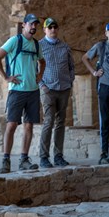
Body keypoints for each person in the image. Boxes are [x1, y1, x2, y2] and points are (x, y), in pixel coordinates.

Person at [0, 13, 45, 174]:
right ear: (24, 26)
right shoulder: (15, 41)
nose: (33, 27)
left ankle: (24, 159)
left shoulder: (36, 44)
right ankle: (6, 160)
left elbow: (42, 61)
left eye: (35, 24)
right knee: (12, 124)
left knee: (29, 126)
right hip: (17, 91)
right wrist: (6, 77)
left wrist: (40, 75)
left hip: (32, 91)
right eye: (31, 24)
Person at [81, 21, 109, 163]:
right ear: (106, 34)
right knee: (105, 119)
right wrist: (93, 72)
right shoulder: (100, 46)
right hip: (105, 85)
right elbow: (85, 58)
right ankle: (104, 151)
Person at [38, 17, 75, 168]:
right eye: (50, 27)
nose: (53, 30)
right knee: (48, 121)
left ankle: (58, 155)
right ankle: (44, 157)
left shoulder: (64, 46)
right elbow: (35, 67)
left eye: (55, 27)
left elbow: (71, 65)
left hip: (64, 88)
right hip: (48, 89)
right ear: (45, 30)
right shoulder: (39, 46)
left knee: (61, 122)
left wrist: (70, 80)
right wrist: (41, 84)